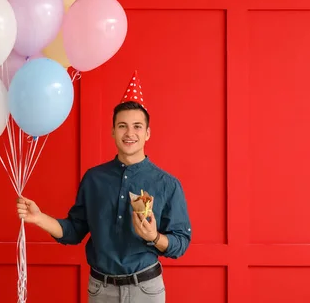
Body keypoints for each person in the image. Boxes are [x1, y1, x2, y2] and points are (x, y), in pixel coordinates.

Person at [16, 70, 191, 302]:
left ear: (147, 133)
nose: (130, 133)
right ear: (112, 131)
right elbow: (74, 231)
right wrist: (39, 218)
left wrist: (154, 237)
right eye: (122, 126)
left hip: (146, 289)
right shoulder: (94, 179)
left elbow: (181, 242)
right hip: (101, 290)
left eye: (137, 126)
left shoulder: (167, 184)